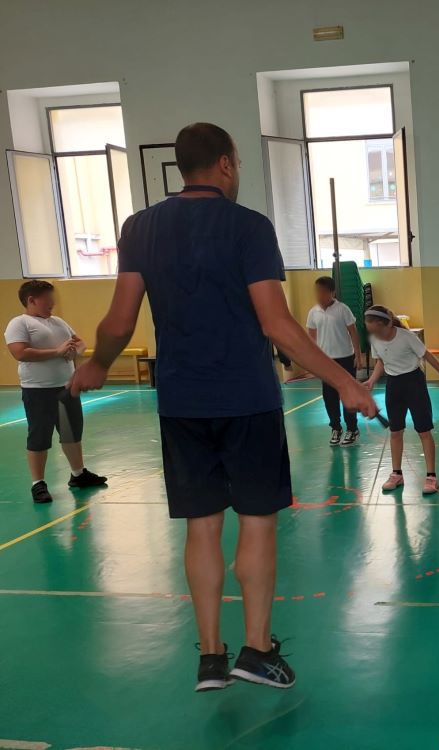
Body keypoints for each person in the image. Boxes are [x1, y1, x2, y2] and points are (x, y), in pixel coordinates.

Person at [70, 122, 377, 693]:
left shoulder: (139, 227)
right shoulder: (249, 227)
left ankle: (211, 657)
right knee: (257, 523)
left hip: (180, 402)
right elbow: (276, 323)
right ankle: (257, 650)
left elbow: (119, 320)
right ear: (227, 164)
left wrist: (96, 363)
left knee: (202, 526)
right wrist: (345, 381)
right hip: (247, 401)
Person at [4, 280, 106, 504]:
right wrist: (57, 351)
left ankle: (78, 474)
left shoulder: (58, 321)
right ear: (31, 300)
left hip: (67, 387)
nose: (52, 304)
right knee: (39, 436)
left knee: (72, 432)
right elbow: (20, 352)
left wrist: (76, 350)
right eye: (48, 300)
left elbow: (79, 343)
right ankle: (38, 483)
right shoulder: (19, 323)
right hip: (38, 390)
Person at [363, 305, 439, 494]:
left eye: (377, 330)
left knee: (424, 430)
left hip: (414, 383)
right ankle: (396, 474)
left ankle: (431, 476)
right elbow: (381, 361)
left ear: (387, 324)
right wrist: (372, 380)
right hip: (393, 385)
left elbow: (427, 355)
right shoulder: (375, 339)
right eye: (371, 331)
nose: (375, 335)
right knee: (395, 431)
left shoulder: (406, 337)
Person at [307, 276, 362, 446]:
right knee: (329, 397)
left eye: (323, 292)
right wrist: (312, 362)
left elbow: (353, 332)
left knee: (348, 395)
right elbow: (311, 338)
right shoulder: (313, 312)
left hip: (346, 358)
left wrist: (358, 355)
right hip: (326, 361)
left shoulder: (342, 309)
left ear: (332, 292)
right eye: (317, 292)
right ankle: (336, 428)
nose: (319, 295)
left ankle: (352, 428)